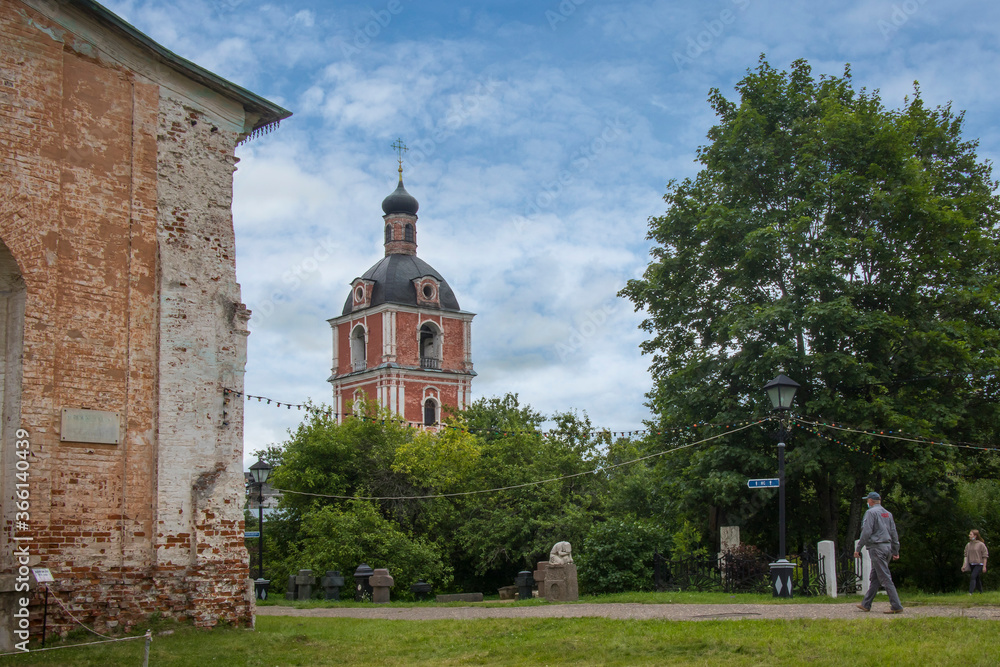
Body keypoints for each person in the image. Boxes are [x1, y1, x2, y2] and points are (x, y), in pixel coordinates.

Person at [854, 491, 904, 614]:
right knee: (875, 577)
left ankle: (896, 606)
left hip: (877, 548)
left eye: (867, 500)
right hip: (887, 548)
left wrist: (858, 548)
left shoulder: (870, 513)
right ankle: (866, 604)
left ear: (870, 501)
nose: (867, 502)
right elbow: (893, 533)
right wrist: (895, 550)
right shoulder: (888, 514)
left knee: (885, 577)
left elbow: (866, 532)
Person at [963, 529, 988, 594]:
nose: (969, 536)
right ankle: (981, 592)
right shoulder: (968, 545)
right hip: (972, 564)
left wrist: (984, 566)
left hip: (979, 564)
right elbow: (965, 555)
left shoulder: (981, 544)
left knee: (973, 576)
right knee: (976, 578)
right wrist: (964, 565)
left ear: (975, 536)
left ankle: (970, 592)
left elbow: (985, 556)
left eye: (971, 534)